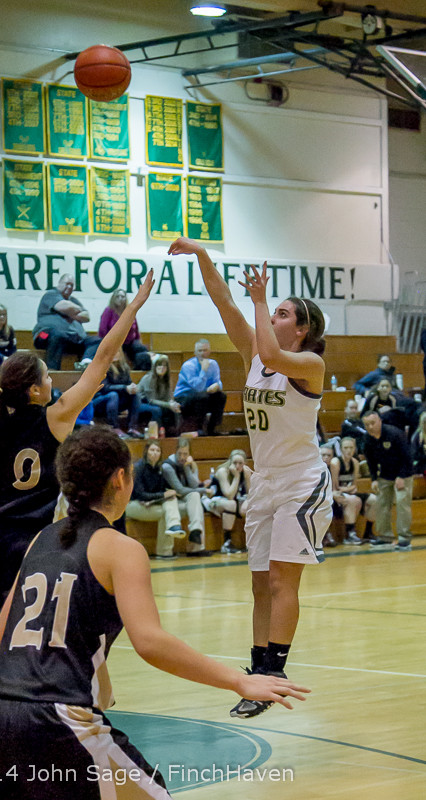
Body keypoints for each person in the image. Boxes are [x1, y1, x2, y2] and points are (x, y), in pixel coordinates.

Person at [0, 426, 309, 800]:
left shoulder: (39, 540)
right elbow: (150, 642)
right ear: (121, 478)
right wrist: (239, 681)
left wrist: (97, 685)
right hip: (57, 719)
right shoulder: (120, 548)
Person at [0, 271, 155, 751]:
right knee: (78, 638)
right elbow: (104, 359)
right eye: (47, 376)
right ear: (36, 390)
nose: (53, 379)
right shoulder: (54, 417)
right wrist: (133, 308)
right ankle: (90, 719)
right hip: (31, 546)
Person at [169, 237, 332, 719]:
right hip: (264, 483)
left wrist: (260, 301)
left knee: (283, 580)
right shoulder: (255, 355)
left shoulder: (309, 364)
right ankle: (257, 674)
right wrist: (202, 256)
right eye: (274, 311)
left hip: (302, 482)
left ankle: (275, 672)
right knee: (260, 583)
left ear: (301, 331)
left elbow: (274, 355)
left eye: (284, 314)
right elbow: (224, 302)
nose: (274, 316)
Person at [362, 410, 414, 552]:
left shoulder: (395, 434)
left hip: (404, 474)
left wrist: (402, 477)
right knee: (382, 505)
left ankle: (404, 538)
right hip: (385, 475)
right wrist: (374, 479)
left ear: (380, 421)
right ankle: (385, 537)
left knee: (403, 504)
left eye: (372, 423)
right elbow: (371, 462)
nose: (370, 427)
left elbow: (407, 457)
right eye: (367, 424)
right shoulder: (367, 439)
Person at [126, 440, 186, 559]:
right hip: (133, 505)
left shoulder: (160, 469)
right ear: (146, 452)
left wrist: (162, 496)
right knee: (167, 509)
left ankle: (172, 531)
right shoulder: (138, 468)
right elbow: (140, 494)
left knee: (171, 499)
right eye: (152, 450)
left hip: (150, 504)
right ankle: (166, 547)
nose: (155, 453)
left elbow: (161, 491)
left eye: (157, 450)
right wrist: (163, 495)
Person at [33, 274, 101, 370]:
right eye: (67, 284)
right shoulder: (51, 294)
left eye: (72, 285)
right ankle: (53, 371)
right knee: (56, 334)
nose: (69, 287)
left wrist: (71, 311)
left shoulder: (73, 300)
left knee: (97, 341)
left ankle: (84, 364)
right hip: (44, 336)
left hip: (69, 339)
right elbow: (63, 306)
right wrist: (76, 311)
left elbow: (87, 317)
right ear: (59, 283)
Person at [161, 437, 213, 557]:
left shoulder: (189, 464)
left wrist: (188, 468)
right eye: (180, 454)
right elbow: (179, 489)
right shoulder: (167, 466)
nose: (182, 457)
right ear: (175, 451)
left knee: (195, 497)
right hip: (172, 500)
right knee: (195, 498)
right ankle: (196, 545)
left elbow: (194, 485)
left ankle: (195, 537)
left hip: (185, 497)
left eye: (185, 454)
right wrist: (204, 490)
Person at [92, 348, 155, 438]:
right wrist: (125, 388)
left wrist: (132, 387)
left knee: (135, 395)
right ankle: (114, 427)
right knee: (113, 395)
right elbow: (105, 388)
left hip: (116, 401)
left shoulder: (124, 367)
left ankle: (132, 427)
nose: (115, 354)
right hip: (100, 401)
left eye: (117, 352)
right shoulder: (102, 367)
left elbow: (128, 383)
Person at [173, 339, 227, 436]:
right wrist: (203, 370)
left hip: (203, 395)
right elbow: (198, 388)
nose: (202, 353)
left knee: (221, 396)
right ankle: (199, 429)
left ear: (209, 351)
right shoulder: (188, 366)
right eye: (200, 351)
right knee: (202, 397)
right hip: (183, 397)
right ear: (195, 352)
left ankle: (212, 428)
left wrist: (217, 385)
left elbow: (217, 381)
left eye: (205, 350)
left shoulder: (213, 364)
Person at [329, 437, 377, 545]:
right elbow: (335, 487)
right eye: (346, 448)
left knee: (374, 499)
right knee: (353, 500)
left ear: (355, 449)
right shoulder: (335, 462)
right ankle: (350, 535)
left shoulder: (355, 462)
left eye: (351, 448)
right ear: (341, 449)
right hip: (336, 495)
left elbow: (354, 486)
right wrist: (347, 489)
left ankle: (368, 532)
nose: (348, 450)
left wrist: (346, 489)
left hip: (349, 492)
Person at [205, 449, 251, 554]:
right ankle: (226, 543)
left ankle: (250, 543)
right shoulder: (222, 471)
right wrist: (236, 477)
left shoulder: (244, 472)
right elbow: (229, 495)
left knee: (250, 507)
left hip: (233, 501)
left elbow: (250, 495)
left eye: (240, 463)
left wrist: (248, 478)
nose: (237, 466)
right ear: (230, 462)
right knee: (231, 504)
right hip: (214, 501)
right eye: (235, 463)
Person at [98, 288, 152, 370]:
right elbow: (103, 329)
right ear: (114, 298)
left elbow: (136, 330)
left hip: (129, 342)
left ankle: (139, 371)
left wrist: (138, 341)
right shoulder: (108, 311)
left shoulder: (130, 311)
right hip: (114, 342)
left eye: (122, 297)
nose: (120, 299)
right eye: (118, 297)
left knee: (143, 350)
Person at [137, 354, 181, 435]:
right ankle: (158, 434)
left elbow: (168, 397)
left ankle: (175, 434)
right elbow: (150, 400)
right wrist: (168, 405)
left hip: (157, 403)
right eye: (159, 365)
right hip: (141, 403)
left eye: (165, 366)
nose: (162, 368)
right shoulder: (149, 378)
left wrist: (173, 404)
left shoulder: (166, 379)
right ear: (155, 366)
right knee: (157, 410)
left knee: (175, 410)